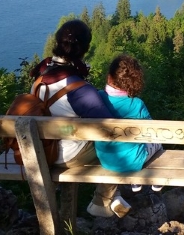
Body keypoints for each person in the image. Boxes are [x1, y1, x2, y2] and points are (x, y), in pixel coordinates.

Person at [27, 19, 130, 218]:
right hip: (67, 156)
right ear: (84, 49)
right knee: (121, 147)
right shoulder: (79, 90)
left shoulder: (39, 79)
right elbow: (111, 129)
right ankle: (103, 200)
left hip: (39, 152)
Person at [95, 54, 163, 192]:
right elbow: (152, 131)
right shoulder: (137, 104)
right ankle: (156, 179)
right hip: (133, 162)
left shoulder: (97, 98)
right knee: (158, 142)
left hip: (105, 159)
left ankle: (135, 182)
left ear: (109, 77)